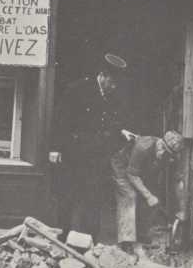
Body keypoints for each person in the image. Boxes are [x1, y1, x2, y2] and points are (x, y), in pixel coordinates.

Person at [49, 53, 127, 243]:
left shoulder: (111, 97)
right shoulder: (77, 90)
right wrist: (55, 148)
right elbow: (61, 120)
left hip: (96, 157)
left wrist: (121, 133)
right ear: (102, 75)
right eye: (112, 82)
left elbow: (110, 125)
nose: (114, 87)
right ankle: (63, 236)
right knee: (69, 195)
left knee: (94, 197)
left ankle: (92, 240)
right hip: (73, 154)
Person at [111, 130, 184, 254]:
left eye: (168, 153)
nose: (164, 154)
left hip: (142, 171)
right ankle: (126, 241)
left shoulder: (171, 156)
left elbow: (177, 181)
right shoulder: (143, 147)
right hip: (123, 168)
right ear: (160, 143)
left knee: (153, 200)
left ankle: (141, 234)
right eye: (163, 149)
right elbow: (132, 174)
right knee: (130, 196)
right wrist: (148, 195)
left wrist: (181, 208)